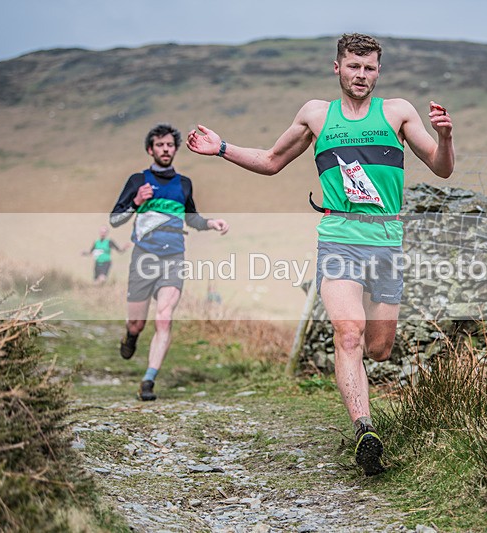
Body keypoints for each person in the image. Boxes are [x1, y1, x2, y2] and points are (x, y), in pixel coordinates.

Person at [186, 34, 454, 475]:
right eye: (353, 67)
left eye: (369, 68)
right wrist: (222, 148)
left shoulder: (398, 112)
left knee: (379, 347)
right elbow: (272, 160)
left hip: (386, 241)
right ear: (337, 68)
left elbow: (442, 167)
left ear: (379, 71)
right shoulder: (316, 115)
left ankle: (362, 391)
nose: (361, 76)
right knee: (348, 333)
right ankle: (365, 430)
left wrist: (445, 137)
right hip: (338, 237)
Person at [110, 123, 229, 401]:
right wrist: (136, 201)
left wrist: (211, 223)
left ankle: (149, 380)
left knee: (164, 318)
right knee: (137, 323)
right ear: (150, 149)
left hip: (174, 258)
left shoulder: (184, 184)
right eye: (160, 145)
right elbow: (115, 219)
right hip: (143, 258)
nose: (165, 149)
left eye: (170, 145)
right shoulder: (137, 181)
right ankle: (131, 336)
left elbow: (192, 218)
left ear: (175, 149)